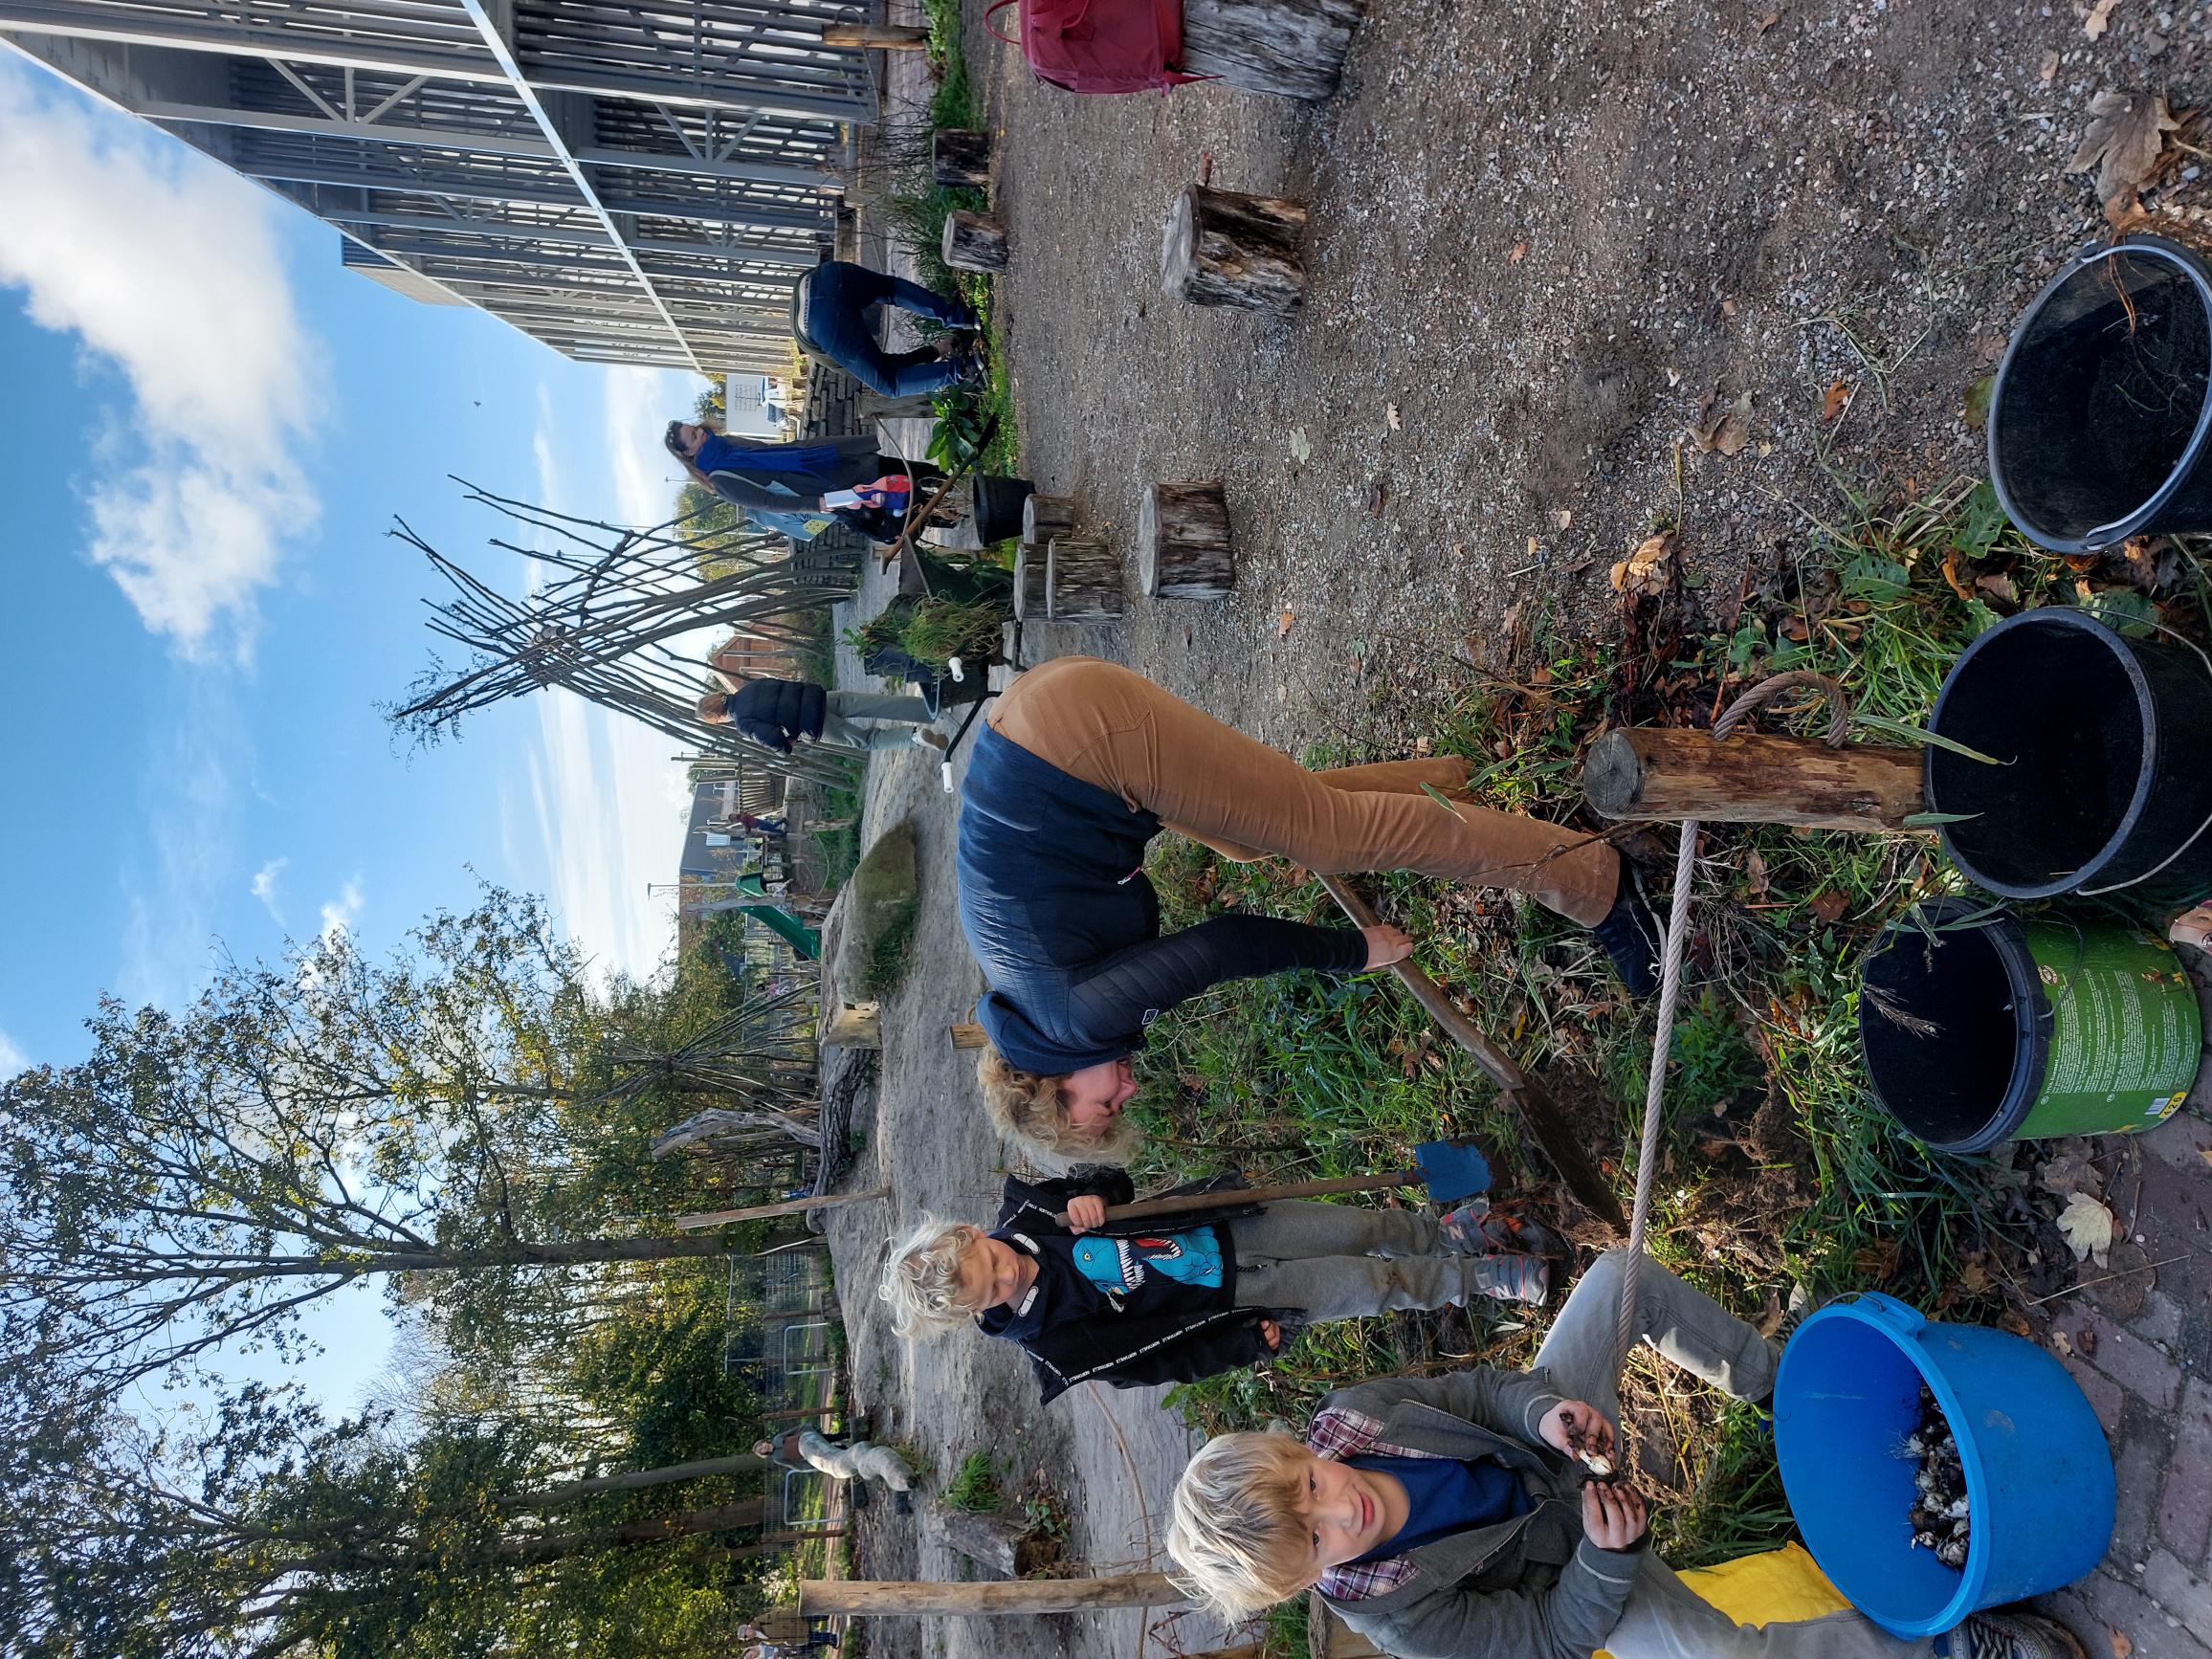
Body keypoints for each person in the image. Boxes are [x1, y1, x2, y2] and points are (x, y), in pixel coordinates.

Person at [1163, 1250, 2086, 1659]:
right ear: (1306, 1581)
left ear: (1300, 1448)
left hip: (1558, 1454)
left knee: (1617, 1278)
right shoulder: (1399, 1620)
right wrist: (1608, 1560)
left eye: (1312, 1486)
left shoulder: (1354, 1418)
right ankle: (1942, 1646)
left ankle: (1785, 1386)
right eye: (1317, 1541)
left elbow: (1479, 1392)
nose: (1342, 1510)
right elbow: (1549, 1639)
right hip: (1585, 1570)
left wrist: (1545, 1414)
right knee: (1716, 1658)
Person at [957, 656, 1662, 1165]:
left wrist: (1355, 952)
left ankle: (1600, 885)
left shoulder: (1075, 1023)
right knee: (1248, 839)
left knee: (1330, 836)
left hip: (1082, 741)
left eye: (1107, 1105)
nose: (1129, 1089)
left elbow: (1226, 947)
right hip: (1031, 724)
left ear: (1054, 1088)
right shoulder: (1030, 1005)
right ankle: (1452, 784)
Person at [876, 1167, 1555, 1405]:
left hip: (1234, 1227)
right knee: (1373, 1285)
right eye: (991, 1291)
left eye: (990, 1260)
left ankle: (1448, 1236)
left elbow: (1118, 1185)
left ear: (972, 1232)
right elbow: (1159, 1363)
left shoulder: (1032, 1211)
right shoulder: (1059, 1348)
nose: (1007, 1274)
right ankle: (1479, 1278)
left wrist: (1092, 1194)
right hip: (1240, 1299)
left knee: (1360, 1227)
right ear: (975, 1314)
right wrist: (1242, 1346)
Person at [665, 419, 938, 520]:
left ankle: (952, 480)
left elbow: (773, 450)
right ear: (688, 453)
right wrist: (817, 504)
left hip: (823, 460)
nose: (702, 432)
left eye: (696, 429)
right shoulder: (720, 481)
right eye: (694, 436)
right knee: (902, 502)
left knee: (903, 469)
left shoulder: (727, 443)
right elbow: (768, 501)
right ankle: (953, 511)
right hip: (824, 489)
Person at [790, 258, 984, 397]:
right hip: (822, 276)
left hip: (822, 322)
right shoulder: (810, 338)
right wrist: (936, 349)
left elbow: (887, 365)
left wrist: (933, 352)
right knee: (890, 288)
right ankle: (964, 317)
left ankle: (966, 369)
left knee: (889, 385)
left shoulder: (833, 355)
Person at [697, 676, 945, 757]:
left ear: (717, 718)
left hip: (814, 725)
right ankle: (931, 708)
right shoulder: (750, 687)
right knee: (880, 704)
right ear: (718, 695)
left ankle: (914, 737)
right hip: (820, 697)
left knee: (867, 740)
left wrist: (786, 747)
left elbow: (771, 739)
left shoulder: (742, 723)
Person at [756, 1425, 915, 1515]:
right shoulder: (777, 1458)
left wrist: (806, 1428)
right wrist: (811, 1465)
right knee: (838, 1457)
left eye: (761, 1445)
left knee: (830, 1442)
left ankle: (845, 1438)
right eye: (761, 1450)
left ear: (764, 1442)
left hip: (807, 1439)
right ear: (764, 1454)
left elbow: (793, 1430)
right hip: (810, 1455)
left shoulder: (778, 1438)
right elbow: (795, 1465)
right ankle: (850, 1451)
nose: (764, 1447)